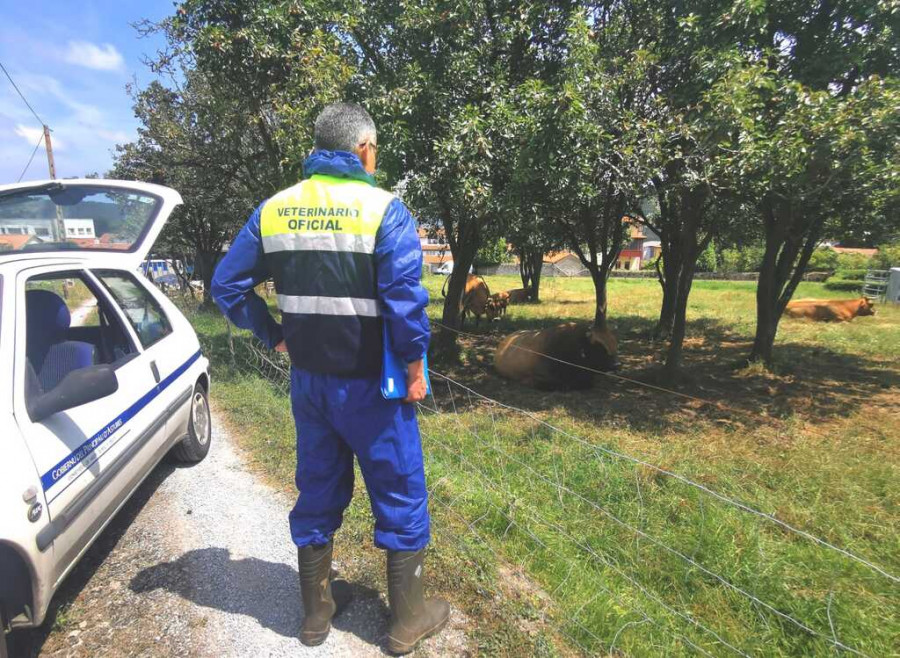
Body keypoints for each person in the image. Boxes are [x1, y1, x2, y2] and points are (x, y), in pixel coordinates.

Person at [211, 103, 449, 654]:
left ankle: (315, 615)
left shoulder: (273, 211)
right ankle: (406, 620)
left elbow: (227, 287)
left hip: (310, 385)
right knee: (398, 487)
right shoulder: (384, 209)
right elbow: (405, 302)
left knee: (317, 485)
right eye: (377, 148)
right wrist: (414, 366)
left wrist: (273, 334)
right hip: (374, 388)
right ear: (364, 148)